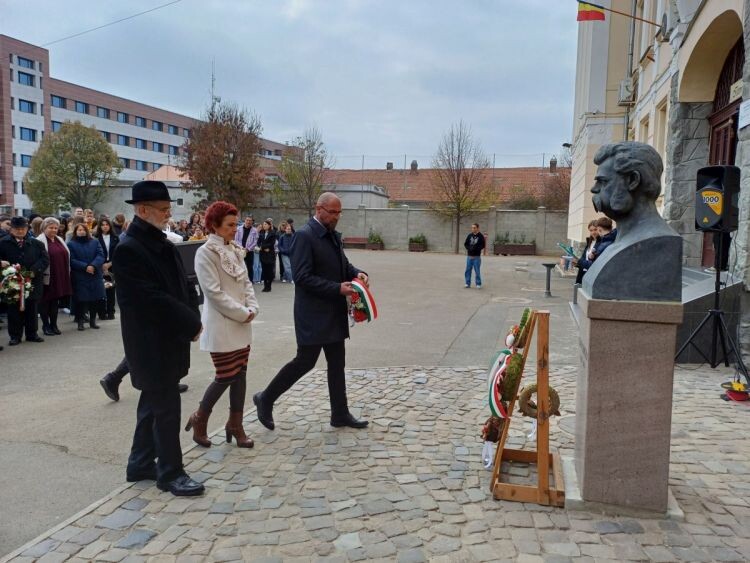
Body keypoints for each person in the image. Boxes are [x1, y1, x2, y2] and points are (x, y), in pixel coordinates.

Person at [115, 180, 204, 496]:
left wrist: (194, 316)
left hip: (169, 337)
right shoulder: (129, 249)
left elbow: (184, 285)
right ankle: (170, 472)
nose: (169, 215)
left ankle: (139, 463)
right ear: (142, 210)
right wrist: (188, 322)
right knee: (166, 408)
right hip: (151, 342)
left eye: (169, 209)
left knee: (152, 405)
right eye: (163, 210)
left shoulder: (162, 243)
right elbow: (150, 300)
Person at [253, 192, 370, 430]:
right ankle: (265, 398)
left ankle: (340, 413)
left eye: (339, 213)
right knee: (304, 362)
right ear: (319, 209)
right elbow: (302, 277)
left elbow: (343, 265)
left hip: (333, 312)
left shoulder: (331, 235)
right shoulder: (305, 237)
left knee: (337, 364)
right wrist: (337, 288)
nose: (337, 217)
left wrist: (357, 273)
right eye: (333, 212)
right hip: (313, 314)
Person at [187, 201, 259, 449]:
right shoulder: (206, 252)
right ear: (214, 225)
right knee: (225, 376)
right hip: (221, 324)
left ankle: (235, 425)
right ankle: (199, 419)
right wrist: (242, 312)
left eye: (236, 224)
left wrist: (252, 307)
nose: (234, 229)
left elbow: (246, 282)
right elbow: (213, 293)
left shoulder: (236, 250)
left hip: (242, 323)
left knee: (240, 375)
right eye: (229, 225)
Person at [0, 217, 49, 345]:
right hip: (12, 282)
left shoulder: (37, 243)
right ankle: (15, 336)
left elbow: (44, 260)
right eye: (17, 229)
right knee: (13, 310)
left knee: (32, 308)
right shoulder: (3, 243)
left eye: (23, 229)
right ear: (11, 229)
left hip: (32, 280)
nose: (21, 231)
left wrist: (33, 271)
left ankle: (32, 334)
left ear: (27, 229)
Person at [36, 218, 72, 335]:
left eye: (56, 228)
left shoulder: (59, 239)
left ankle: (54, 325)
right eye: (51, 227)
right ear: (44, 228)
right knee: (45, 302)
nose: (54, 230)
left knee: (55, 302)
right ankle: (46, 326)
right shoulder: (39, 241)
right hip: (47, 277)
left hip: (59, 275)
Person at [67, 223, 105, 331]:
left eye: (83, 230)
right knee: (81, 300)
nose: (81, 232)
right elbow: (72, 260)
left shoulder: (95, 242)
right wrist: (85, 267)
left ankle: (93, 321)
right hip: (80, 275)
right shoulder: (71, 244)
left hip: (94, 274)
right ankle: (80, 322)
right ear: (75, 232)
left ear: (86, 231)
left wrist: (93, 265)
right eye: (79, 230)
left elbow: (100, 255)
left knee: (95, 299)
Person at [96, 218, 119, 320]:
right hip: (100, 266)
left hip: (112, 266)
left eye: (107, 224)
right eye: (103, 225)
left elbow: (118, 253)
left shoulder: (115, 238)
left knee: (111, 289)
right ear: (99, 226)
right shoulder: (96, 238)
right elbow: (95, 252)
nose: (105, 226)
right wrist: (102, 264)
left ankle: (111, 311)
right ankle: (102, 312)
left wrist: (110, 263)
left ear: (110, 226)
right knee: (101, 289)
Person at [573, 220, 599, 285]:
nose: (593, 232)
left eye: (595, 229)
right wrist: (577, 264)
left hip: (592, 275)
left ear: (599, 229)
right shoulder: (590, 242)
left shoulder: (601, 244)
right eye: (591, 230)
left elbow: (594, 263)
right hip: (583, 274)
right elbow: (584, 259)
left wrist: (579, 262)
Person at [257, 220, 277, 292]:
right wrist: (262, 248)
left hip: (270, 254)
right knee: (264, 270)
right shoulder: (261, 233)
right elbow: (258, 242)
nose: (264, 225)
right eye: (263, 224)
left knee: (270, 271)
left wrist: (263, 247)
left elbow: (272, 243)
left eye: (265, 224)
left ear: (269, 225)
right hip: (263, 254)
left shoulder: (273, 233)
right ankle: (265, 286)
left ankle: (269, 285)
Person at [464, 223, 485, 289]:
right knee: (468, 270)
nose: (473, 229)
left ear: (478, 228)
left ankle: (478, 283)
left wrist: (476, 249)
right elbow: (466, 244)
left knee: (477, 270)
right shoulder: (469, 235)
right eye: (472, 228)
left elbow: (483, 245)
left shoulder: (481, 236)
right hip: (469, 256)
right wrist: (469, 248)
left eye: (474, 228)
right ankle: (467, 283)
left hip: (476, 257)